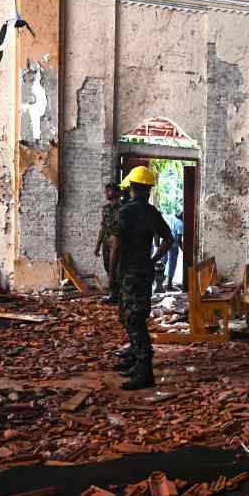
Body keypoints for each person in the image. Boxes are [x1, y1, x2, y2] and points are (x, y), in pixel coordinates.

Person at [108, 166, 174, 390]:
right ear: (148, 189)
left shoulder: (124, 212)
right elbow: (169, 240)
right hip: (143, 272)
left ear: (132, 187)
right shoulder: (152, 212)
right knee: (132, 317)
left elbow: (116, 247)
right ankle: (137, 362)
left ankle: (145, 372)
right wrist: (153, 258)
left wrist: (111, 276)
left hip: (128, 272)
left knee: (133, 320)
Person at [94, 182, 121, 304]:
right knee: (107, 267)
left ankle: (119, 295)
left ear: (116, 192)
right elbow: (103, 227)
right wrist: (98, 245)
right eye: (106, 191)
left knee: (117, 269)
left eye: (109, 191)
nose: (106, 193)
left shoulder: (122, 209)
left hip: (118, 244)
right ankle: (113, 295)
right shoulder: (105, 209)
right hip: (106, 244)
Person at [166, 212, 184, 291]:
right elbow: (179, 240)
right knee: (172, 264)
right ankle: (169, 286)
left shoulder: (172, 217)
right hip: (173, 245)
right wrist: (184, 250)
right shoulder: (180, 224)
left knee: (167, 263)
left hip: (165, 242)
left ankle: (166, 283)